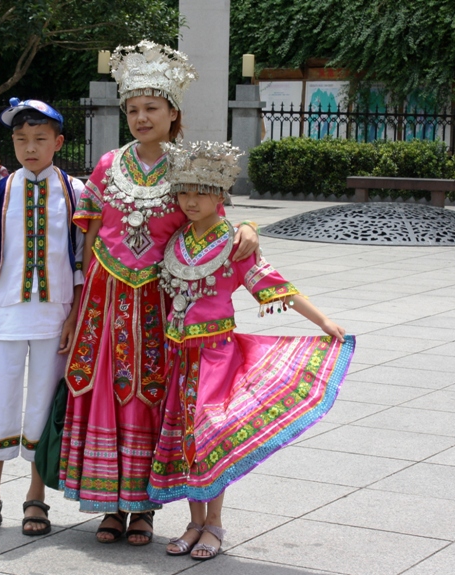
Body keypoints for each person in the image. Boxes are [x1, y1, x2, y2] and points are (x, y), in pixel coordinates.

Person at [58, 40, 260, 545]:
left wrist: (250, 227)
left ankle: (145, 508)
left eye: (152, 108)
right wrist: (78, 300)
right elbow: (88, 232)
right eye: (133, 109)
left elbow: (214, 218)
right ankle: (107, 505)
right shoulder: (107, 164)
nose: (141, 117)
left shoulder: (188, 165)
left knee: (153, 399)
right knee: (103, 390)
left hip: (162, 302)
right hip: (104, 300)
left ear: (174, 112)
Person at [147, 141, 356, 560]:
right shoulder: (175, 240)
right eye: (184, 192)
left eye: (201, 192)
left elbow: (273, 285)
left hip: (217, 355)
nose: (191, 201)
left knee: (213, 434)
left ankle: (215, 524)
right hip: (179, 357)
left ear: (220, 196)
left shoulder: (234, 244)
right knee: (186, 437)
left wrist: (322, 321)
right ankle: (193, 520)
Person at [0, 98, 85, 539]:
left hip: (57, 316)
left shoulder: (75, 191)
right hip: (7, 314)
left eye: (40, 139)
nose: (30, 148)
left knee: (42, 408)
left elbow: (83, 258)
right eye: (20, 139)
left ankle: (37, 498)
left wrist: (76, 318)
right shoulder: (2, 191)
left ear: (58, 142)